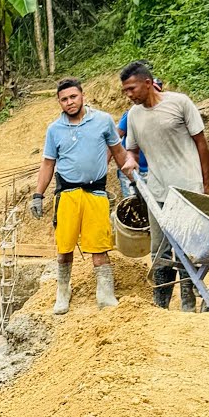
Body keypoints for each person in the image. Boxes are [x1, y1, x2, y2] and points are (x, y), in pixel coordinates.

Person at [31, 78, 137, 314]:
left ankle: (105, 295)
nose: (69, 102)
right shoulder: (54, 129)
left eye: (73, 97)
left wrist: (134, 182)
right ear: (59, 102)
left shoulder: (103, 121)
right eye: (64, 99)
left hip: (95, 193)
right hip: (67, 194)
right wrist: (38, 194)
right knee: (64, 248)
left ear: (82, 96)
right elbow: (48, 164)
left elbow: (118, 152)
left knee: (99, 247)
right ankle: (63, 292)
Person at [119, 61, 209, 311]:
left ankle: (188, 304)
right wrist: (130, 161)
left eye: (132, 89)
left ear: (148, 83)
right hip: (157, 192)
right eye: (125, 91)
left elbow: (201, 144)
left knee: (186, 248)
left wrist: (205, 184)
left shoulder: (180, 103)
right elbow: (132, 150)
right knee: (159, 251)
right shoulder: (134, 115)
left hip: (187, 190)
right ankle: (161, 306)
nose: (129, 95)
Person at [115, 78, 160, 197]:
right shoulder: (132, 114)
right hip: (134, 169)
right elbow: (115, 139)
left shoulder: (162, 114)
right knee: (133, 202)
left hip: (154, 171)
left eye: (156, 91)